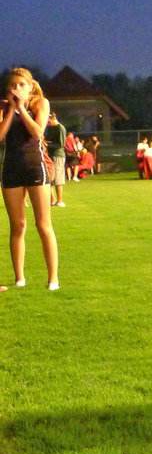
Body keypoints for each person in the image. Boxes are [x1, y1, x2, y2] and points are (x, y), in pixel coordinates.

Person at [0, 68, 60, 291]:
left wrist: (23, 109)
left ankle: (53, 278)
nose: (16, 89)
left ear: (30, 86)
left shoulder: (40, 103)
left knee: (43, 224)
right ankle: (19, 278)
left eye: (21, 85)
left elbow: (37, 132)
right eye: (13, 86)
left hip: (35, 167)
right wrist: (11, 109)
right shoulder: (4, 106)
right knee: (18, 226)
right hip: (11, 169)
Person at [46, 113, 68, 207]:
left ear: (54, 118)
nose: (47, 123)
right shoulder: (50, 128)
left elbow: (61, 144)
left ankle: (60, 200)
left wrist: (48, 145)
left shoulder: (60, 128)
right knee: (50, 178)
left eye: (49, 121)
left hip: (58, 155)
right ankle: (52, 199)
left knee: (58, 179)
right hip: (50, 155)